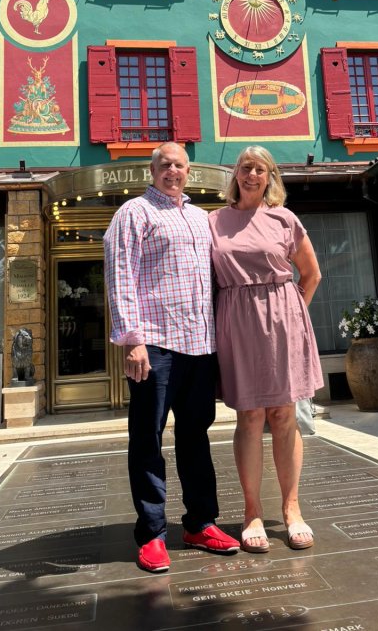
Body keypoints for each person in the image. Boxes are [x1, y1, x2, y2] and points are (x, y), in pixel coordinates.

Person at [104, 142, 240, 573]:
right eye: (165, 165)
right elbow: (119, 275)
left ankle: (200, 523)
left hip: (200, 345)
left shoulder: (202, 218)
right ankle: (151, 534)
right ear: (152, 169)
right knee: (147, 439)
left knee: (196, 438)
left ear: (188, 171)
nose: (173, 171)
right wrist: (133, 340)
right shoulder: (134, 213)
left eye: (180, 165)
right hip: (156, 346)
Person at [209, 146, 323, 554]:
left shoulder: (284, 218)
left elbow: (311, 274)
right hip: (237, 323)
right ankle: (251, 510)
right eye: (244, 168)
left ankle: (291, 508)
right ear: (235, 175)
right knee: (250, 416)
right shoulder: (213, 221)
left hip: (282, 323)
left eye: (259, 169)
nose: (251, 174)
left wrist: (293, 317)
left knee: (283, 413)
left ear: (270, 176)